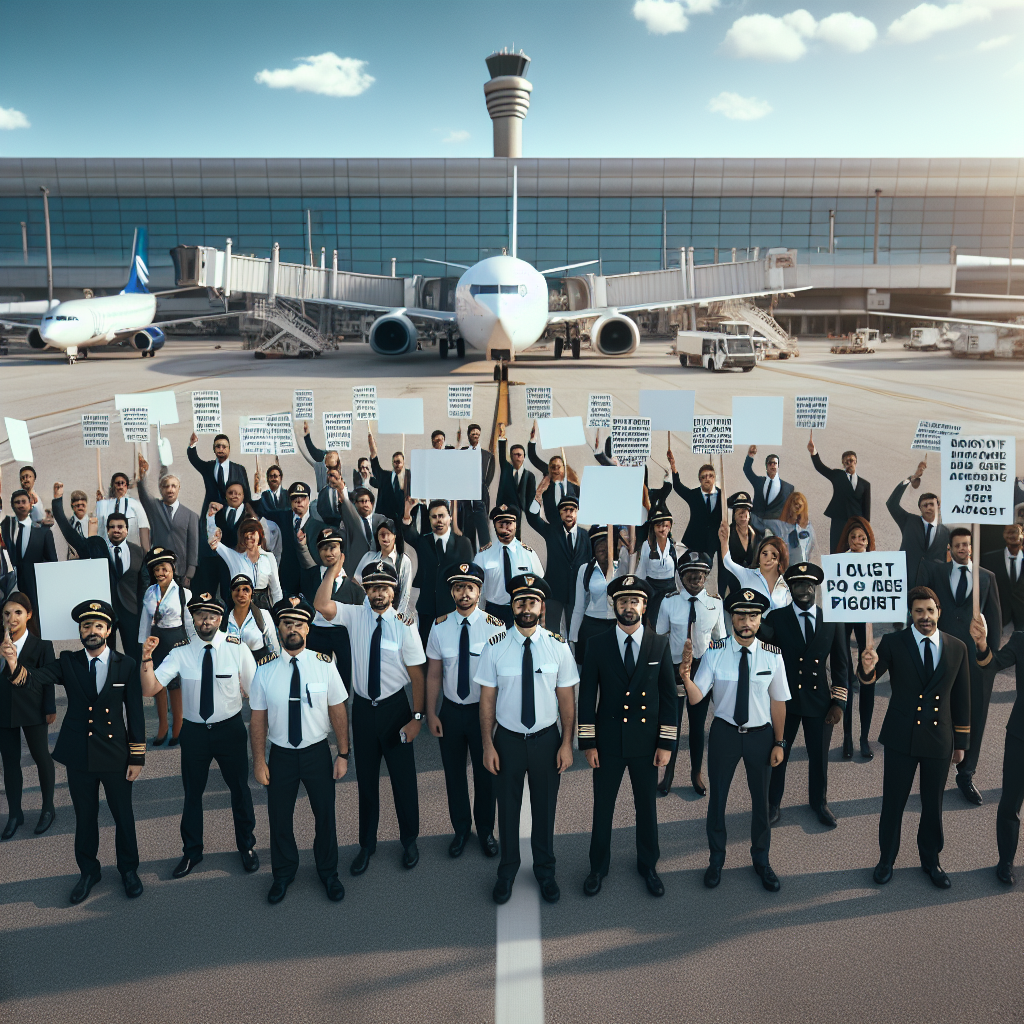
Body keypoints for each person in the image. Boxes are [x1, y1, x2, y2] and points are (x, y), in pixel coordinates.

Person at [2, 599, 145, 904]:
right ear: (79, 631)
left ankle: (129, 871)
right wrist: (14, 664)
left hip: (116, 754)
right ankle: (89, 872)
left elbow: (135, 713)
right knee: (85, 817)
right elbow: (34, 680)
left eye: (97, 625)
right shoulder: (68, 662)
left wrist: (137, 755)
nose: (91, 630)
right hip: (79, 755)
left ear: (108, 629)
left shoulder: (127, 664)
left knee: (124, 816)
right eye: (85, 626)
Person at [314, 558, 427, 876]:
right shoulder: (354, 615)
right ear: (365, 590)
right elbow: (321, 603)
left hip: (395, 710)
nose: (378, 593)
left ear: (393, 591)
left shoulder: (405, 626)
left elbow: (418, 676)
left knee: (403, 781)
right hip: (363, 711)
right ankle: (367, 844)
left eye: (384, 588)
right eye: (373, 587)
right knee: (366, 783)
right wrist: (333, 570)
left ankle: (409, 840)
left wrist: (416, 718)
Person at [140, 591, 260, 880]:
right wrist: (146, 659)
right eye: (200, 615)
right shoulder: (181, 651)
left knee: (240, 791)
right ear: (191, 619)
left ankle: (247, 846)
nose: (206, 620)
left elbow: (256, 692)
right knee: (193, 794)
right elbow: (150, 688)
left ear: (221, 618)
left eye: (212, 615)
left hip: (229, 730)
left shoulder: (237, 648)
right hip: (194, 733)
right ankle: (192, 851)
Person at [859, 586, 971, 888]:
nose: (925, 616)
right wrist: (866, 667)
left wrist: (961, 743)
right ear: (911, 613)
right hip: (901, 737)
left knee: (933, 803)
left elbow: (962, 697)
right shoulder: (894, 642)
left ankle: (931, 860)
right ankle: (886, 859)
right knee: (893, 802)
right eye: (919, 611)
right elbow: (870, 676)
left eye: (930, 610)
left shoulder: (957, 647)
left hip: (939, 737)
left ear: (939, 612)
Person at [478, 574, 579, 905]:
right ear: (512, 605)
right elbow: (487, 701)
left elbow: (566, 700)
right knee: (507, 810)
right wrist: (488, 745)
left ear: (541, 606)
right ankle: (507, 872)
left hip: (546, 741)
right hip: (506, 740)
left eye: (532, 601)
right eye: (520, 601)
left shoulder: (557, 646)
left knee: (544, 809)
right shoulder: (495, 646)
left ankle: (545, 871)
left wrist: (567, 743)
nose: (526, 607)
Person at [680, 589, 789, 892]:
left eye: (752, 616)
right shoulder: (715, 651)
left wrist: (780, 743)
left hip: (761, 737)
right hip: (725, 734)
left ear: (759, 619)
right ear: (731, 617)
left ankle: (761, 860)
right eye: (740, 615)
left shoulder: (772, 656)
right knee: (718, 801)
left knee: (761, 804)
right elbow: (698, 696)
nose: (746, 621)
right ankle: (716, 859)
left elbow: (779, 702)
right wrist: (687, 678)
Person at [578, 575, 677, 897]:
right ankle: (597, 867)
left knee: (645, 806)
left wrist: (666, 743)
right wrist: (589, 742)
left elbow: (668, 697)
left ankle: (648, 865)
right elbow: (587, 697)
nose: (629, 606)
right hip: (607, 743)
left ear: (644, 605)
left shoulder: (659, 644)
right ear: (614, 605)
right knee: (602, 807)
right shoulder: (597, 644)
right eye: (623, 601)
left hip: (646, 744)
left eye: (635, 601)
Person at [249, 596, 349, 904]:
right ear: (278, 628)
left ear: (308, 629)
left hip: (316, 753)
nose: (293, 629)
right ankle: (283, 873)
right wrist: (259, 761)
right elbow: (258, 719)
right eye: (287, 623)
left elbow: (338, 710)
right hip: (281, 755)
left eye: (299, 624)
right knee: (280, 818)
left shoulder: (324, 665)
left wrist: (343, 753)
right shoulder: (264, 671)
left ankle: (329, 872)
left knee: (325, 816)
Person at [425, 563, 505, 858]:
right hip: (450, 713)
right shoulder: (439, 626)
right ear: (452, 591)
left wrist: (498, 717)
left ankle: (485, 831)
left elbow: (501, 678)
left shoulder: (496, 628)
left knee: (487, 775)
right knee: (454, 775)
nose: (464, 593)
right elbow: (434, 673)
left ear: (479, 592)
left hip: (482, 715)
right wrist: (431, 713)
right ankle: (461, 830)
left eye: (470, 587)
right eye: (459, 587)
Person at [916, 527, 1001, 805]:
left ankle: (966, 775)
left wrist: (989, 658)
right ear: (949, 550)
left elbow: (996, 623)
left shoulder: (987, 578)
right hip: (944, 656)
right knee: (941, 713)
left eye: (967, 544)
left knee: (975, 717)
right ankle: (938, 772)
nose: (964, 549)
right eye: (958, 545)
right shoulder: (938, 573)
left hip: (976, 661)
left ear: (972, 548)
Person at [764, 563, 849, 828]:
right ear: (790, 588)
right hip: (784, 701)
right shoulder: (776, 619)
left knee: (819, 757)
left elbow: (841, 664)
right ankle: (773, 803)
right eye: (798, 585)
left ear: (816, 588)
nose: (804, 590)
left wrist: (839, 702)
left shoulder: (832, 621)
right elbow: (763, 656)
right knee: (779, 754)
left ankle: (819, 802)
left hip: (819, 701)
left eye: (808, 585)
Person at [655, 550, 726, 798]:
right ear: (681, 577)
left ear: (707, 576)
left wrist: (718, 674)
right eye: (690, 574)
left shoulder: (715, 603)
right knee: (671, 724)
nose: (696, 578)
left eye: (700, 574)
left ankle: (696, 772)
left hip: (701, 670)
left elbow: (720, 641)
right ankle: (669, 774)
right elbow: (660, 637)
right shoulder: (669, 602)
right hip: (673, 668)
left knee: (697, 726)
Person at [54, 491, 146, 665]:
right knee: (106, 659)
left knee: (134, 658)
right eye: (112, 527)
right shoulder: (96, 547)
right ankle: (109, 691)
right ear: (107, 529)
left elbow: (143, 586)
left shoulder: (138, 552)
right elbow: (70, 535)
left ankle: (133, 691)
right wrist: (57, 504)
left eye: (120, 527)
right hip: (104, 612)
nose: (116, 530)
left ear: (127, 530)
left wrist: (142, 614)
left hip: (131, 613)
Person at [972, 614, 1024, 885]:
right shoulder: (1020, 639)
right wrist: (982, 645)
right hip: (1021, 735)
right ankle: (1006, 862)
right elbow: (992, 665)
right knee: (1009, 804)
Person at [0, 593, 56, 839]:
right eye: (7, 613)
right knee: (10, 761)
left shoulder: (42, 645)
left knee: (41, 756)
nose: (12, 618)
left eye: (18, 612)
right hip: (4, 709)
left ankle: (48, 808)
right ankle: (15, 813)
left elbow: (48, 680)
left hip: (33, 708)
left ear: (29, 615)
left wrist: (50, 707)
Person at [138, 547, 192, 747]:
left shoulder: (183, 593)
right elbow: (145, 620)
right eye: (156, 570)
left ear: (172, 568)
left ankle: (178, 726)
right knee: (157, 683)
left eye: (164, 568)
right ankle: (162, 727)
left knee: (175, 684)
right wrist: (143, 644)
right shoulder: (150, 592)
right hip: (156, 640)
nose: (160, 573)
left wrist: (193, 645)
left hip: (176, 639)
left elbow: (189, 623)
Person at [402, 497, 474, 647]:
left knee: (452, 652)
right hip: (427, 610)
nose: (438, 520)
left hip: (453, 609)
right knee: (427, 652)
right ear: (429, 520)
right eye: (434, 517)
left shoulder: (463, 543)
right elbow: (409, 533)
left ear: (450, 517)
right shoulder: (424, 541)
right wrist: (407, 512)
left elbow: (469, 578)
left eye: (441, 516)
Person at [835, 516, 879, 760]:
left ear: (868, 540)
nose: (858, 541)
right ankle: (847, 737)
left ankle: (864, 737)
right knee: (845, 676)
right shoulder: (840, 561)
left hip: (867, 620)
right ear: (848, 540)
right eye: (853, 537)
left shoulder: (877, 562)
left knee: (867, 676)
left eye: (862, 538)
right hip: (844, 615)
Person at [300, 527, 362, 687]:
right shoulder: (307, 577)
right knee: (315, 683)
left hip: (343, 636)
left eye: (333, 547)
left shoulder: (354, 588)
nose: (329, 552)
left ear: (341, 550)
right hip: (314, 634)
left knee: (343, 685)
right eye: (324, 548)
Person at [526, 493, 591, 635]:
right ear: (560, 513)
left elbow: (590, 562)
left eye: (572, 510)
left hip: (577, 593)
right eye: (565, 510)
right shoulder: (552, 531)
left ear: (577, 512)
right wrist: (537, 500)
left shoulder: (585, 535)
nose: (569, 513)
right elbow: (532, 519)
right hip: (555, 591)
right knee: (551, 631)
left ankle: (573, 657)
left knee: (576, 632)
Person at [476, 504, 543, 628]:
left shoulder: (528, 554)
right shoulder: (484, 555)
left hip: (522, 611)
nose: (505, 529)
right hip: (493, 612)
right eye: (501, 525)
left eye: (509, 524)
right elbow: (477, 589)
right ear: (494, 526)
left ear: (515, 525)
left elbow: (539, 586)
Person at [569, 526, 627, 668]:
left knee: (613, 670)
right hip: (591, 627)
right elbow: (579, 606)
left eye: (606, 543)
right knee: (589, 669)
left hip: (616, 625)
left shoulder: (622, 568)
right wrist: (573, 638)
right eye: (598, 543)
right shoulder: (585, 569)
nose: (602, 547)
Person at [138, 456, 200, 588]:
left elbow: (193, 545)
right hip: (159, 569)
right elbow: (143, 494)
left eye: (173, 486)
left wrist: (190, 573)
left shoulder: (191, 516)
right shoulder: (155, 507)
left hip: (181, 571)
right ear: (161, 489)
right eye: (166, 486)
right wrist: (142, 475)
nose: (170, 489)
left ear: (179, 488)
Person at [885, 463, 948, 591]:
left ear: (938, 506)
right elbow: (891, 504)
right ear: (920, 508)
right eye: (924, 505)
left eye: (932, 504)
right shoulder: (909, 521)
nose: (928, 507)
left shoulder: (946, 532)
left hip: (932, 586)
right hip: (906, 581)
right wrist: (911, 478)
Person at [260, 482, 325, 598]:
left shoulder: (320, 526)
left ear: (309, 500)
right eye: (294, 497)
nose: (298, 501)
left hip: (311, 584)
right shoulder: (282, 517)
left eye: (303, 497)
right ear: (289, 501)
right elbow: (260, 511)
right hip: (287, 581)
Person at [0, 487, 58, 614]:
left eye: (23, 501)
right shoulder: (4, 529)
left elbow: (52, 563)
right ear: (12, 505)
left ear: (30, 504)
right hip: (8, 589)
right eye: (17, 502)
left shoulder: (43, 532)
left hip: (36, 590)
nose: (20, 505)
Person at [808, 440, 871, 553]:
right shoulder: (838, 476)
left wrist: (866, 527)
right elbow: (821, 467)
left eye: (851, 460)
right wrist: (813, 452)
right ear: (843, 463)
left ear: (856, 462)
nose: (849, 463)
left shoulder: (864, 484)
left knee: (857, 550)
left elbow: (866, 508)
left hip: (856, 522)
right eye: (846, 461)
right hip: (839, 520)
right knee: (836, 550)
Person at [668, 451, 724, 579]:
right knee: (694, 570)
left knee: (710, 570)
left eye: (710, 476)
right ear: (700, 480)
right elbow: (678, 487)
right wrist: (673, 466)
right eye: (703, 477)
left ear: (714, 478)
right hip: (695, 539)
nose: (707, 479)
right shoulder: (694, 495)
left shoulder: (723, 496)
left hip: (714, 541)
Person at [210, 513, 282, 612]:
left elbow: (276, 590)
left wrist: (279, 613)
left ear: (259, 535)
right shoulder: (234, 556)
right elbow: (213, 541)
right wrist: (211, 519)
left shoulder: (269, 557)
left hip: (263, 605)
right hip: (240, 603)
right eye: (246, 534)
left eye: (252, 533)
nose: (249, 537)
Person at [717, 520, 791, 611]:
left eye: (774, 555)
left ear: (780, 559)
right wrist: (724, 541)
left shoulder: (786, 585)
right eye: (765, 554)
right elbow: (727, 562)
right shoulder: (747, 575)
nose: (768, 559)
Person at [353, 518, 413, 619]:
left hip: (392, 614)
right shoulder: (369, 557)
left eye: (388, 533)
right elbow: (356, 582)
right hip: (368, 613)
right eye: (382, 534)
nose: (385, 537)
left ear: (394, 536)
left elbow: (405, 593)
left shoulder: (403, 561)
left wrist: (398, 616)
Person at [187, 432, 252, 519]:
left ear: (229, 449)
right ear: (214, 449)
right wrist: (192, 444)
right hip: (211, 516)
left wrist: (249, 515)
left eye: (224, 447)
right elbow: (195, 460)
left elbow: (247, 495)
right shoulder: (208, 467)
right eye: (218, 446)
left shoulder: (239, 469)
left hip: (233, 516)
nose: (221, 449)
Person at [635, 508, 679, 626]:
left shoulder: (674, 546)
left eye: (665, 525)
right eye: (658, 526)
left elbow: (678, 572)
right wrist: (637, 587)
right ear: (653, 528)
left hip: (669, 588)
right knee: (652, 620)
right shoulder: (647, 545)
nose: (662, 529)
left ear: (669, 527)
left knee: (670, 620)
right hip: (652, 589)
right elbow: (642, 569)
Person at [527, 425, 579, 524]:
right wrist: (533, 440)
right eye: (553, 467)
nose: (556, 470)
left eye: (558, 467)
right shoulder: (548, 483)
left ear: (564, 468)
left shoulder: (572, 484)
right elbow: (533, 457)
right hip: (553, 522)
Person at [223, 573, 278, 662]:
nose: (241, 594)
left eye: (246, 590)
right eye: (237, 589)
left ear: (252, 592)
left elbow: (275, 649)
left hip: (259, 669)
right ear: (231, 593)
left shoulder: (263, 615)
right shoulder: (224, 619)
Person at [719, 491, 763, 598]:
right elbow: (724, 562)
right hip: (734, 581)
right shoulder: (728, 535)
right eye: (740, 513)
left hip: (753, 582)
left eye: (745, 513)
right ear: (734, 516)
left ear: (749, 515)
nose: (743, 516)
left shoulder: (757, 535)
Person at [496, 426, 536, 539]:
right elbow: (502, 457)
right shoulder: (506, 470)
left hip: (520, 509)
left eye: (520, 455)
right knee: (504, 535)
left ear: (524, 457)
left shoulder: (529, 476)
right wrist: (502, 438)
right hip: (505, 508)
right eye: (515, 454)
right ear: (511, 457)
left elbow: (531, 494)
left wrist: (527, 509)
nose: (518, 457)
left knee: (517, 535)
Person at [982, 523, 1024, 632]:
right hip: (998, 621)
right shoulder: (989, 560)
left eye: (1015, 531)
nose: (1011, 535)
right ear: (1003, 534)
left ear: (1022, 534)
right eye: (1008, 531)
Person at [95, 471, 151, 550]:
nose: (120, 487)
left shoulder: (135, 505)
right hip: (108, 549)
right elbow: (99, 530)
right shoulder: (103, 505)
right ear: (113, 485)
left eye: (123, 484)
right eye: (118, 483)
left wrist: (146, 552)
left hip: (131, 549)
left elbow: (143, 528)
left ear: (127, 486)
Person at [743, 447, 794, 532]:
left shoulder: (788, 488)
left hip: (775, 525)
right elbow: (747, 470)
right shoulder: (759, 482)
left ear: (778, 466)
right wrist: (750, 456)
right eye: (770, 463)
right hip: (756, 523)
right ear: (766, 466)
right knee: (755, 544)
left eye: (775, 463)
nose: (773, 465)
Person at [339, 483, 387, 567]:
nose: (366, 504)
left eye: (368, 501)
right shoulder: (346, 524)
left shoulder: (381, 520)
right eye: (362, 501)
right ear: (354, 504)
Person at [763, 492, 818, 565]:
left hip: (803, 568)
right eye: (795, 504)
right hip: (784, 569)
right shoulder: (777, 525)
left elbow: (813, 550)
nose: (797, 507)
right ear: (789, 506)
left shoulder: (807, 527)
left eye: (800, 505)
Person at [368, 432, 408, 524]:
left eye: (399, 462)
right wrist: (372, 447)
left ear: (403, 462)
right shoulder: (384, 476)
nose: (396, 464)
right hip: (384, 519)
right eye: (394, 462)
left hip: (401, 520)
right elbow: (375, 461)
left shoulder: (409, 477)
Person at [299, 421, 342, 493]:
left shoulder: (342, 490)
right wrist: (307, 437)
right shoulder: (320, 463)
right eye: (329, 456)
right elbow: (312, 451)